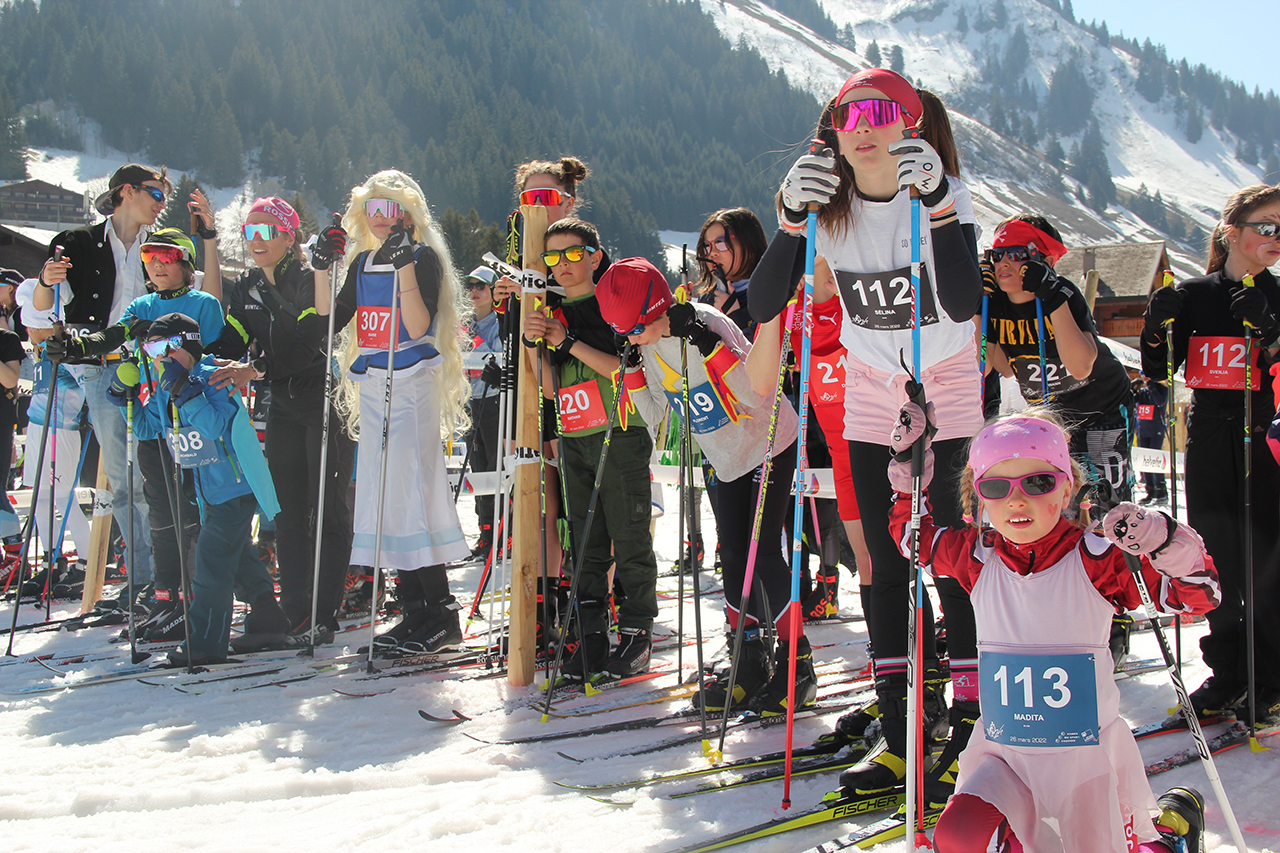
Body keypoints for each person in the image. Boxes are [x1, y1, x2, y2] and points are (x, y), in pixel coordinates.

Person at [748, 67, 983, 798]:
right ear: (834, 136)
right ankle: (903, 729)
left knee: (951, 554)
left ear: (911, 124)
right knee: (883, 559)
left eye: (882, 113)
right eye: (848, 116)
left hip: (946, 381)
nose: (864, 127)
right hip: (872, 387)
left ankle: (971, 729)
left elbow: (964, 300)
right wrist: (791, 218)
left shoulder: (942, 192)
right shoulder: (830, 210)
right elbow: (763, 301)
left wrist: (938, 205)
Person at [888, 406, 1218, 853]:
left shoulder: (1096, 557)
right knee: (959, 837)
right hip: (1004, 754)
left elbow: (1198, 597)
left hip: (1083, 759)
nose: (1016, 500)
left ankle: (1173, 832)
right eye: (996, 487)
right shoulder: (978, 556)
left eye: (1038, 482)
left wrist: (1163, 539)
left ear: (1066, 491)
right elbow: (913, 539)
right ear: (979, 496)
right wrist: (908, 468)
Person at [597, 256, 813, 712]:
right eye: (622, 333)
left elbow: (756, 392)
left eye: (634, 329)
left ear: (655, 308)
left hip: (768, 444)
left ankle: (798, 664)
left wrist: (706, 342)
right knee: (731, 555)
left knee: (762, 552)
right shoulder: (647, 344)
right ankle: (748, 658)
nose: (631, 337)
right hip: (725, 457)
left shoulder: (707, 321)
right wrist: (632, 368)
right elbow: (656, 416)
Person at [314, 170, 471, 655]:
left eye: (390, 209)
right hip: (375, 384)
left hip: (411, 383)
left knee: (411, 489)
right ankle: (415, 610)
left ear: (408, 213)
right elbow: (329, 320)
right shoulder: (363, 262)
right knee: (384, 495)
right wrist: (322, 268)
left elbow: (419, 325)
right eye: (373, 209)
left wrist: (403, 267)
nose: (381, 219)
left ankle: (440, 612)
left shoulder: (422, 258)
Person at [1142, 183, 1280, 724]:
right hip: (1207, 436)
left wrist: (1270, 332)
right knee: (1215, 557)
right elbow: (1159, 372)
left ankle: (1269, 676)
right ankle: (1227, 672)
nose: (1275, 237)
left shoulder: (1277, 294)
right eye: (1266, 226)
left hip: (1263, 438)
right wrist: (1157, 328)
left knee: (1266, 559)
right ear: (1231, 232)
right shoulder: (1196, 293)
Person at [47, 228, 225, 640]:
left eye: (166, 257)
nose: (157, 266)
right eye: (149, 258)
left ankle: (199, 598)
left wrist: (171, 340)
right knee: (160, 514)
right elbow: (111, 336)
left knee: (192, 513)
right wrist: (75, 349)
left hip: (193, 422)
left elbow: (216, 355)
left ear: (185, 263)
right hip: (153, 423)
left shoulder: (204, 303)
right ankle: (166, 597)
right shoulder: (141, 305)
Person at [206, 196, 355, 643]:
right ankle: (294, 610)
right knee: (286, 513)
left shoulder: (309, 280)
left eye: (265, 231)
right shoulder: (247, 285)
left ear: (289, 238)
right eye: (248, 231)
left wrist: (254, 370)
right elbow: (229, 341)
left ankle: (323, 613)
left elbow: (309, 345)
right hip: (284, 406)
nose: (255, 241)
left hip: (324, 402)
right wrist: (190, 351)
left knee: (326, 510)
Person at [521, 219, 658, 680]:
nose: (563, 264)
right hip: (575, 435)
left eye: (574, 253)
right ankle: (591, 636)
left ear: (596, 256)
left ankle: (638, 633)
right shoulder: (554, 310)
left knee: (630, 536)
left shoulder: (614, 304)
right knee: (584, 544)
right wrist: (533, 344)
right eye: (553, 257)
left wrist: (566, 340)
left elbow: (624, 369)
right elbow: (551, 388)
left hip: (620, 431)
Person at [122, 313, 289, 666]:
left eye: (167, 347)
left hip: (235, 486)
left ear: (189, 344)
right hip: (206, 492)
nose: (160, 357)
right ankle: (269, 621)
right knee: (237, 557)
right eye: (152, 350)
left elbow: (214, 426)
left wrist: (186, 393)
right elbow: (147, 428)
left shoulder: (214, 375)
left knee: (211, 562)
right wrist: (126, 398)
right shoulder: (168, 384)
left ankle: (206, 642)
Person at [746, 254, 872, 627]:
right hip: (844, 453)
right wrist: (775, 304)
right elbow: (759, 382)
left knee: (897, 558)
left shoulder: (860, 287)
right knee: (869, 562)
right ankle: (886, 651)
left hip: (887, 446)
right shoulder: (795, 307)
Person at [981, 214, 1135, 503]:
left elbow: (1080, 367)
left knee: (1105, 500)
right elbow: (999, 367)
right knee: (1061, 503)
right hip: (1052, 418)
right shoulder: (995, 302)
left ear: (1046, 261)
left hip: (1102, 407)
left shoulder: (1064, 291)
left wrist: (1051, 296)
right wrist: (978, 309)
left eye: (1017, 254)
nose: (1003, 263)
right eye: (996, 255)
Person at [463, 265, 502, 558]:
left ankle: (503, 532)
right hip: (469, 401)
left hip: (494, 401)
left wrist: (472, 341)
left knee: (494, 466)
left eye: (481, 286)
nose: (475, 292)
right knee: (477, 468)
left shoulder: (499, 324)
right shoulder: (464, 323)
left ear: (492, 291)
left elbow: (495, 359)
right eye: (470, 286)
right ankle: (485, 531)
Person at [1134, 374, 1169, 504]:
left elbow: (1160, 402)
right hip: (1143, 431)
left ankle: (1161, 492)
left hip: (1156, 430)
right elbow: (1132, 400)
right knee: (1145, 462)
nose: (1145, 378)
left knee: (1155, 460)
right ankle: (1150, 491)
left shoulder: (1161, 389)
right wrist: (1132, 387)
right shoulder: (1143, 391)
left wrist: (1151, 385)